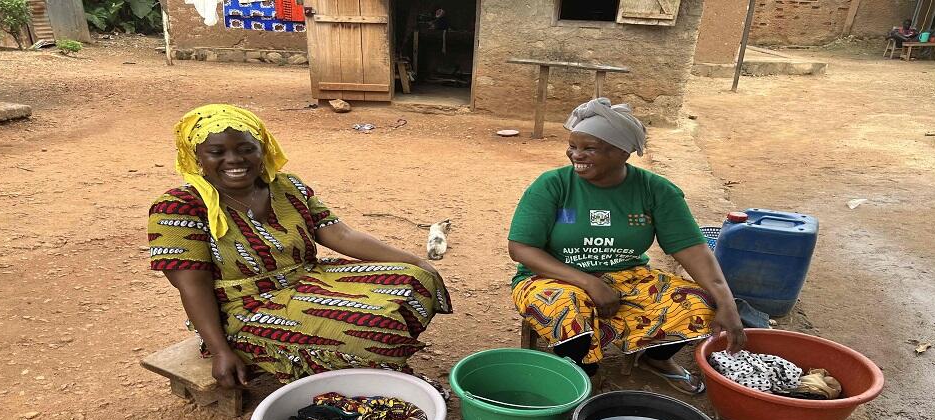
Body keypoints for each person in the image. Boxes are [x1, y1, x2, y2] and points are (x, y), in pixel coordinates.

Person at [148, 104, 451, 393]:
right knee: (373, 329)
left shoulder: (287, 187)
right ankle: (363, 366)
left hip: (307, 278)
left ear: (262, 149)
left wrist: (416, 261)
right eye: (217, 152)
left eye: (245, 149)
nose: (234, 160)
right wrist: (219, 351)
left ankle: (366, 357)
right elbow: (192, 287)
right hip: (244, 307)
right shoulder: (179, 208)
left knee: (416, 280)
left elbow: (341, 235)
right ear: (197, 156)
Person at [508, 98, 746, 395]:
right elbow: (522, 249)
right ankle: (584, 374)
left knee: (699, 301)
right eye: (573, 145)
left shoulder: (656, 191)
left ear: (623, 152)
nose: (576, 155)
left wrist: (727, 302)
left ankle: (656, 359)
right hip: (551, 277)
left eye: (589, 148)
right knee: (564, 309)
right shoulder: (552, 185)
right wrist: (587, 282)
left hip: (628, 276)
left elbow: (694, 251)